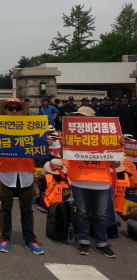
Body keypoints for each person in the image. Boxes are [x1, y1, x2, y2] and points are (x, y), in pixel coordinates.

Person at [62, 106, 124, 258]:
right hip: (79, 179)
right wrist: (63, 144)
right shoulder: (71, 135)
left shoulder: (107, 135)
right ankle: (83, 240)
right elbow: (64, 155)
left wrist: (119, 147)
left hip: (101, 181)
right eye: (77, 116)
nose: (80, 119)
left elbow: (115, 163)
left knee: (101, 215)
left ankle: (102, 242)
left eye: (82, 117)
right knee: (82, 213)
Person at [0, 98, 44, 254]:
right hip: (6, 172)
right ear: (5, 111)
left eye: (17, 108)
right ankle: (4, 238)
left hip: (26, 172)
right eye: (11, 108)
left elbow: (39, 148)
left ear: (22, 112)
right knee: (5, 208)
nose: (14, 111)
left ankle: (30, 240)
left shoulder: (32, 128)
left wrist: (45, 141)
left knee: (27, 209)